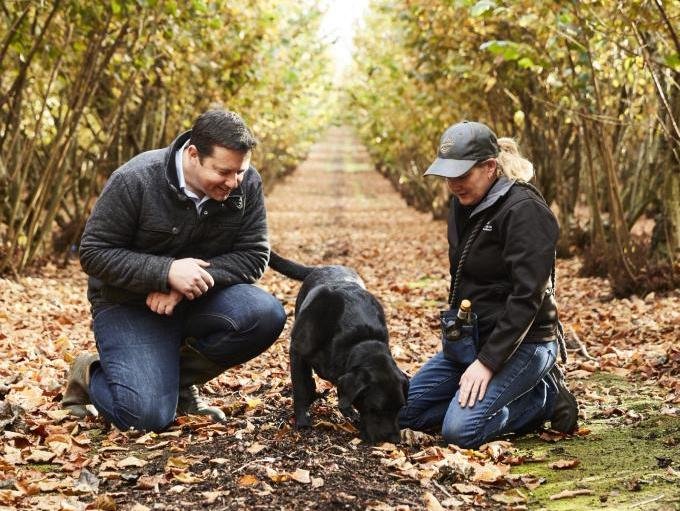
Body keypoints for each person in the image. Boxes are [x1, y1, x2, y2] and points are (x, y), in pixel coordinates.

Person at [62, 109, 287, 431]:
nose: (233, 182)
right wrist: (165, 271)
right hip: (127, 304)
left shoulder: (245, 184)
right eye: (224, 172)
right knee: (146, 417)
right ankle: (90, 372)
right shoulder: (136, 179)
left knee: (264, 314)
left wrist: (181, 284)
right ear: (193, 155)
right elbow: (94, 253)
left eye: (240, 171)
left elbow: (254, 255)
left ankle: (176, 384)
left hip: (198, 299)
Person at [399, 120, 578, 448]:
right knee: (402, 412)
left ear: (490, 167)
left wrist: (487, 363)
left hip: (525, 342)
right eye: (448, 175)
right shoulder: (463, 202)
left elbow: (529, 297)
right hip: (472, 338)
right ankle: (480, 400)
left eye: (462, 175)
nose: (453, 184)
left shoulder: (525, 211)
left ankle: (545, 398)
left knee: (461, 431)